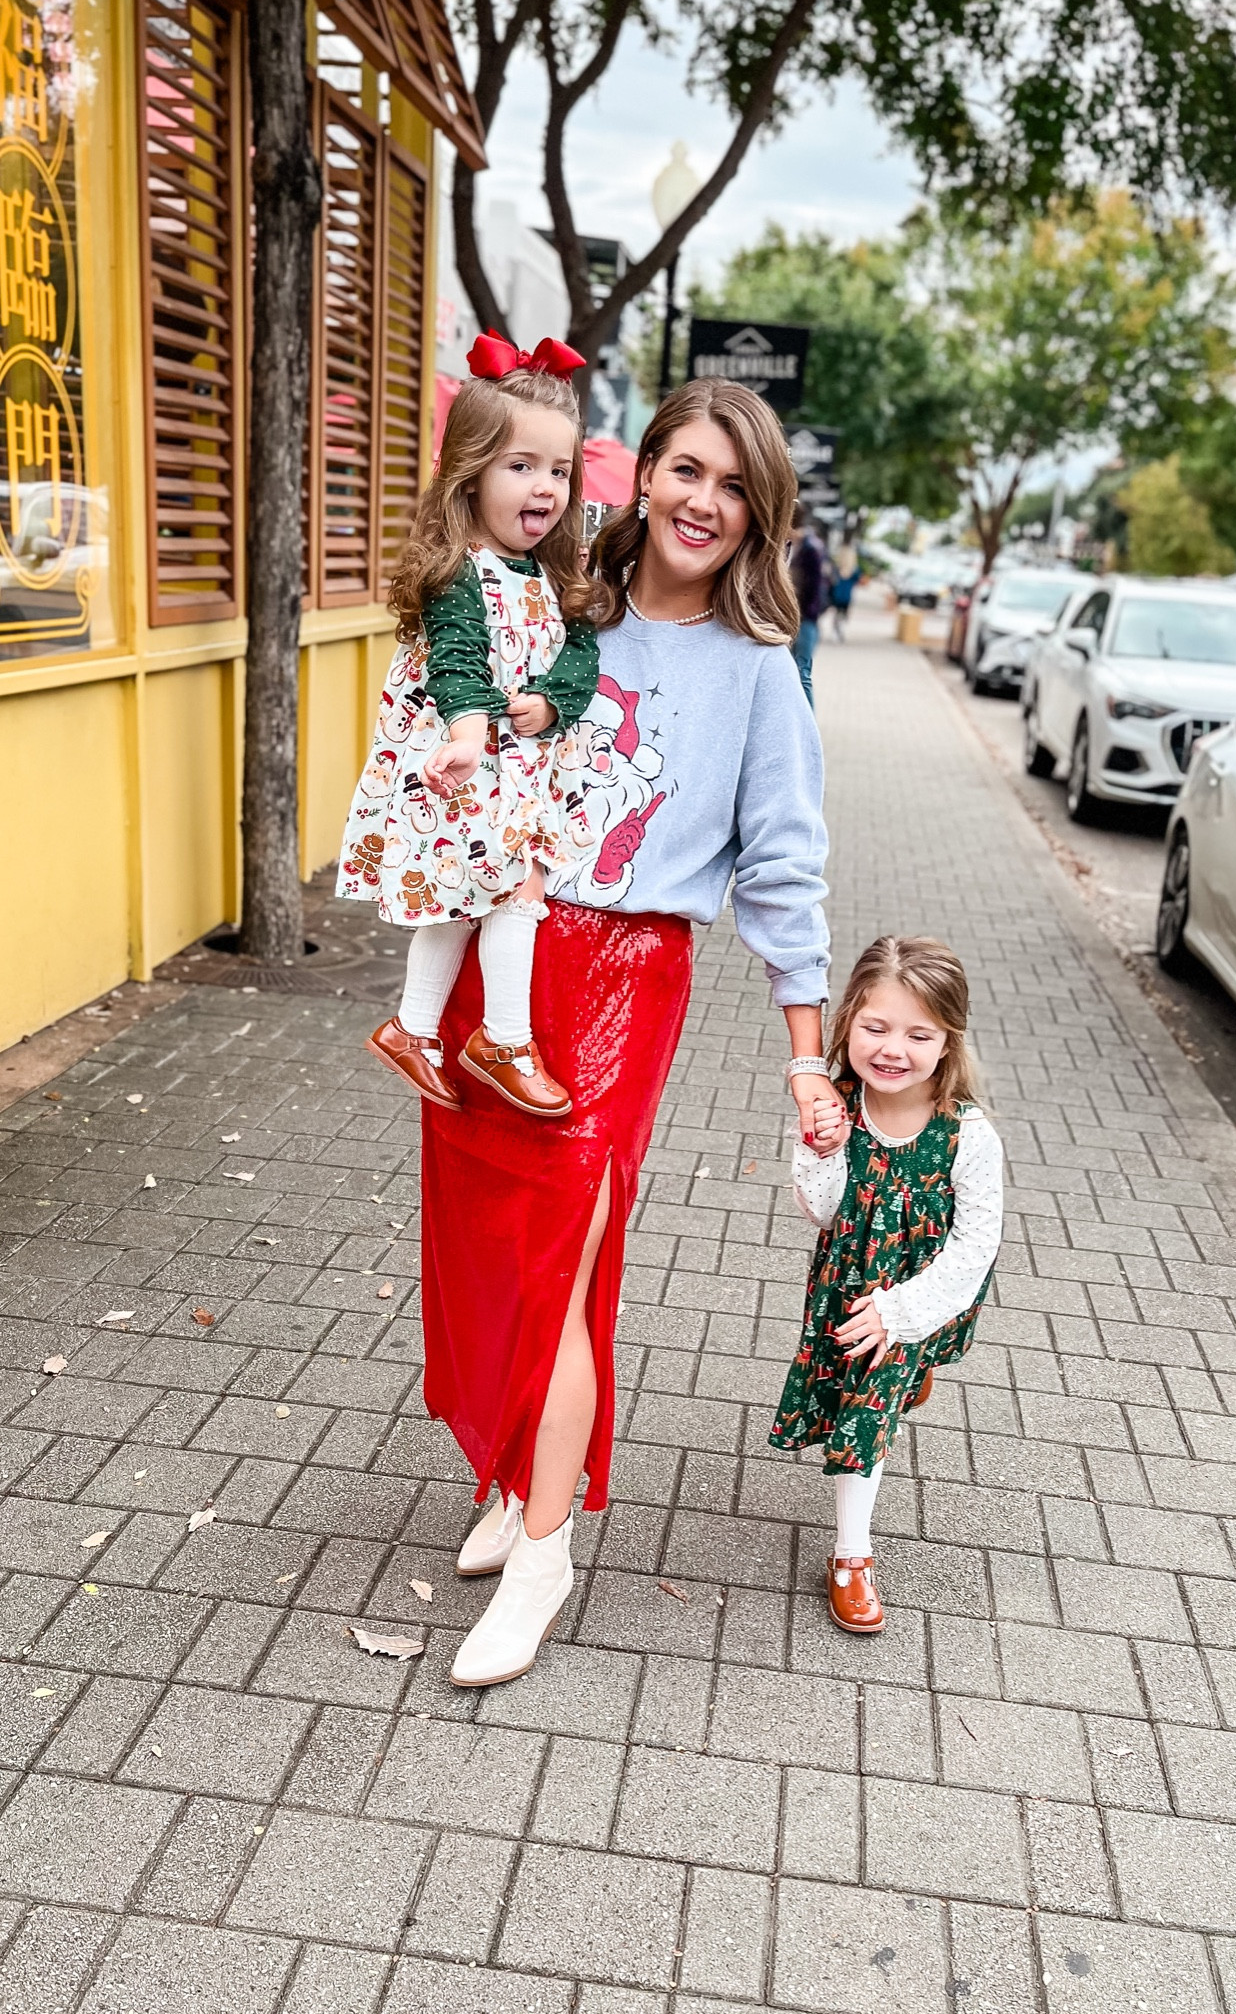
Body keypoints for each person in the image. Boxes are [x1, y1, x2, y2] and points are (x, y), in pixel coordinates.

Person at [425, 379, 840, 1688]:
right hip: (500, 959)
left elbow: (784, 872)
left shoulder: (759, 673)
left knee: (562, 1258)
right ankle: (510, 1479)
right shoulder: (562, 611)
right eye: (687, 471)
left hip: (623, 979)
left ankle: (544, 1552)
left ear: (757, 514)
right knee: (492, 1247)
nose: (704, 502)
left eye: (735, 486)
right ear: (644, 474)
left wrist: (804, 1053)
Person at [337, 332, 598, 1120]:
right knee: (515, 890)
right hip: (466, 765)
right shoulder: (459, 573)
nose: (544, 487)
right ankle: (503, 1040)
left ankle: (412, 1028)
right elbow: (455, 660)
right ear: (471, 472)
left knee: (468, 895)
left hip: (513, 771)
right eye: (521, 466)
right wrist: (468, 734)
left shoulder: (552, 574)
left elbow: (580, 654)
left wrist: (553, 702)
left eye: (559, 471)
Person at [769, 936, 1003, 1636]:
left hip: (922, 1295)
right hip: (847, 1288)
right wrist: (822, 1150)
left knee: (868, 1405)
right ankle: (854, 1539)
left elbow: (975, 1247)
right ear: (847, 1024)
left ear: (948, 1040)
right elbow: (821, 1212)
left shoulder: (967, 1134)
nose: (892, 1049)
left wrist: (903, 1314)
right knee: (864, 1399)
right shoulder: (834, 1104)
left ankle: (851, 1557)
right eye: (875, 1028)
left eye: (918, 1035)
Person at [788, 507, 826, 707]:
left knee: (802, 672)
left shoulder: (809, 548)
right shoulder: (790, 545)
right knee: (789, 672)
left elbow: (814, 587)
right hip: (787, 618)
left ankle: (807, 722)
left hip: (804, 620)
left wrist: (805, 614)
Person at [827, 540, 861, 641]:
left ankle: (837, 630)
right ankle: (838, 630)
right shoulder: (853, 571)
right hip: (845, 596)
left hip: (838, 595)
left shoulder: (839, 569)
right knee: (842, 615)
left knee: (838, 614)